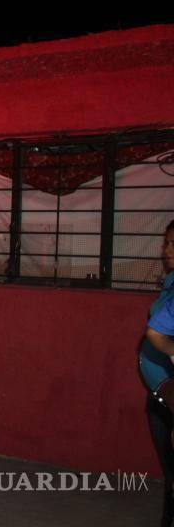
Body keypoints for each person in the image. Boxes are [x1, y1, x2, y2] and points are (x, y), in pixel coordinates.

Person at [140, 220, 174, 527]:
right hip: (160, 391)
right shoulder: (171, 282)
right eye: (166, 243)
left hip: (171, 389)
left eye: (172, 244)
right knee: (170, 467)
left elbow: (156, 333)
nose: (166, 250)